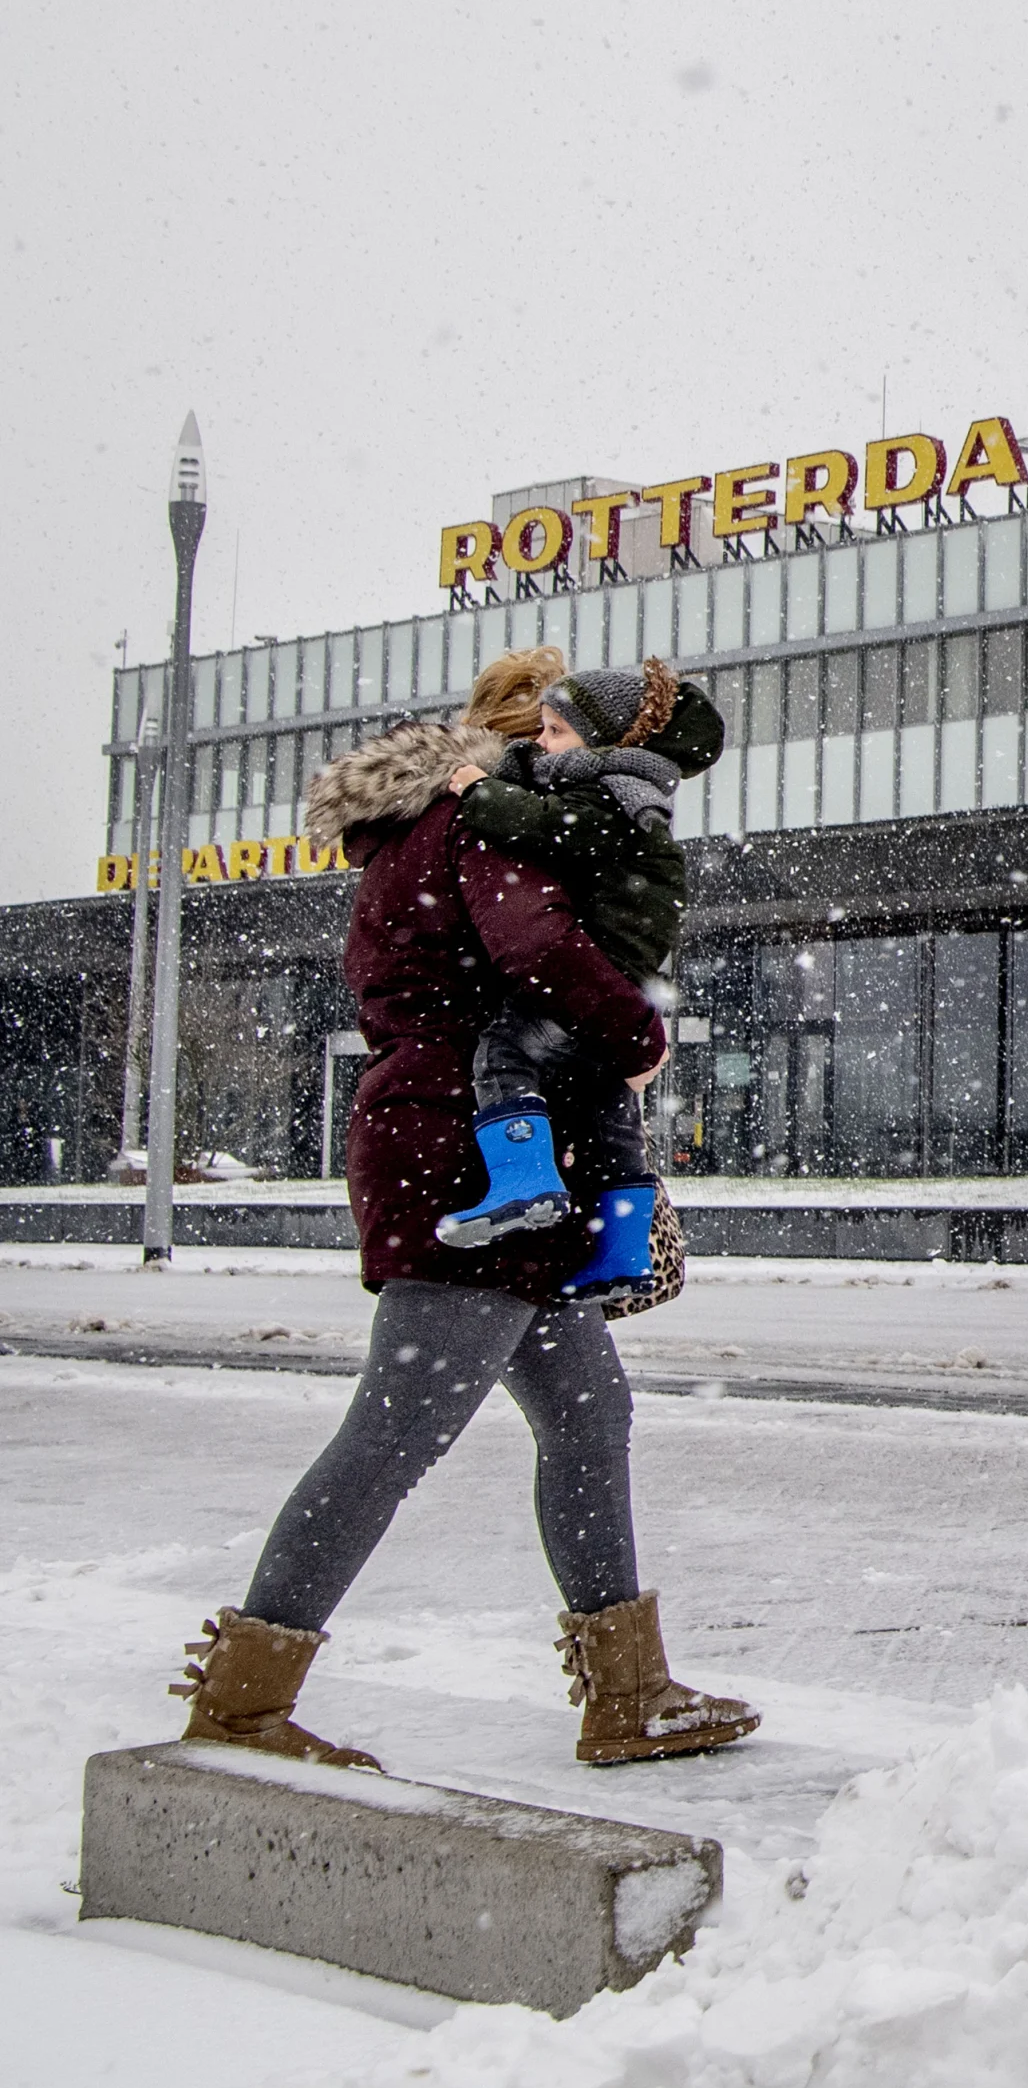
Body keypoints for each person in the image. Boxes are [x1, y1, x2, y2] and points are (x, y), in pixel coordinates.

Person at [164, 696, 759, 1776]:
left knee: (588, 1416)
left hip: (479, 1151)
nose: (555, 757)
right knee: (395, 1434)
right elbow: (540, 949)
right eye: (546, 739)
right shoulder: (469, 826)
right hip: (469, 1159)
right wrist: (637, 1033)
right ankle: (244, 1703)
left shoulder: (411, 837)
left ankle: (629, 1696)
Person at [432, 657, 724, 1299]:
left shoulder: (608, 790)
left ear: (603, 740)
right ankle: (623, 1254)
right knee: (608, 1108)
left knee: (504, 1051)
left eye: (555, 731)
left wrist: (479, 790)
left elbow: (547, 828)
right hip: (620, 972)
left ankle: (523, 1181)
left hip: (600, 967)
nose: (541, 743)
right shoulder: (627, 787)